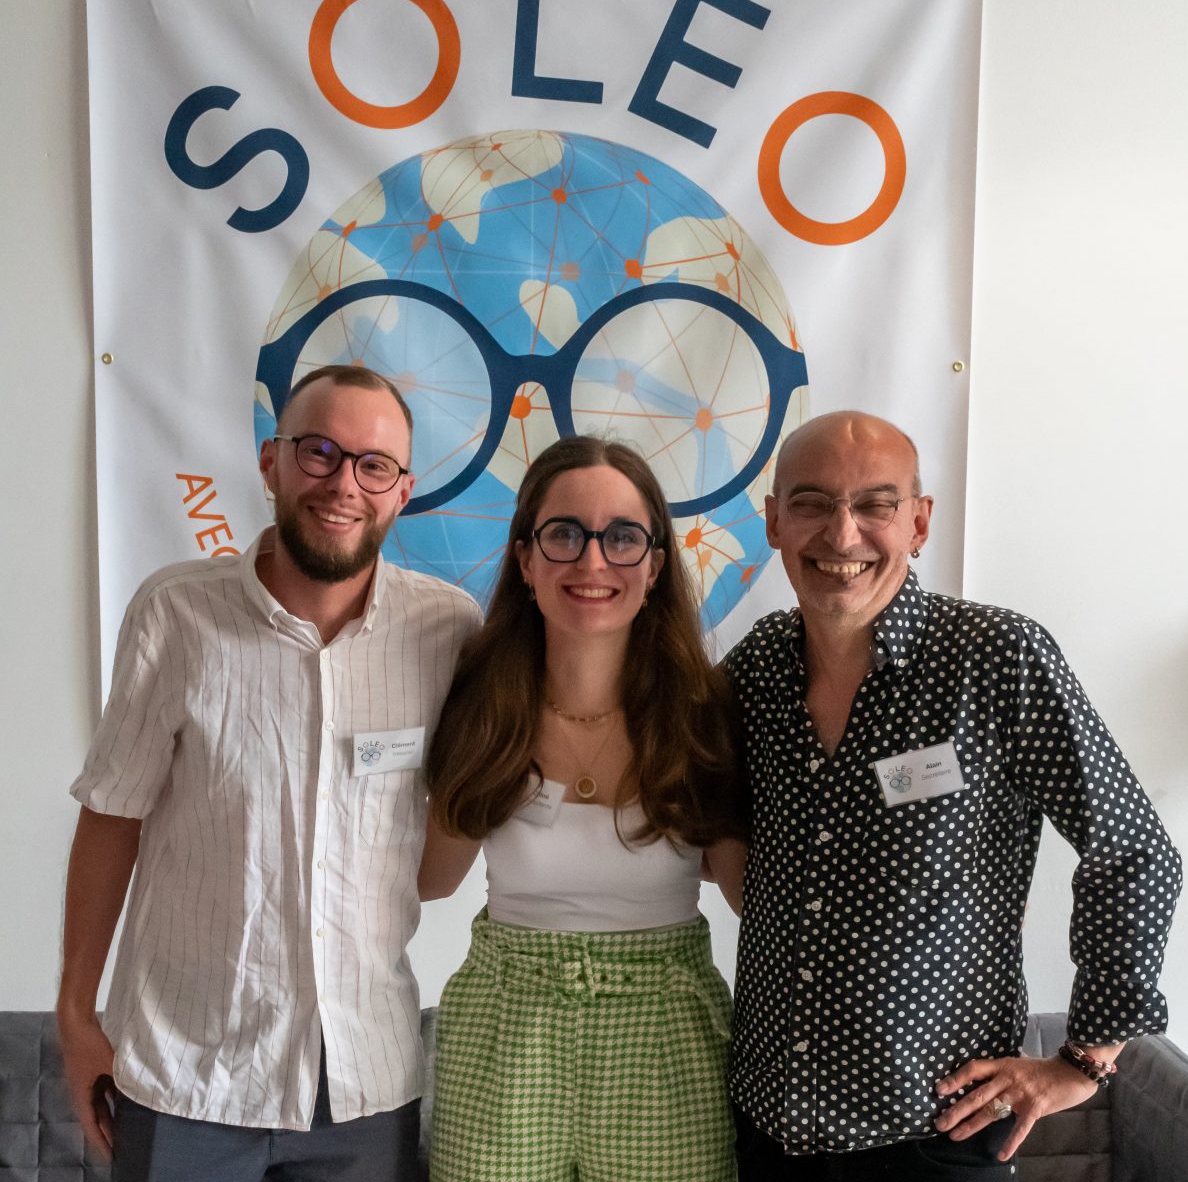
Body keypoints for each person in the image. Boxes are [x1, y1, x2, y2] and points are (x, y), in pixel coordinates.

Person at [725, 411, 1181, 1180]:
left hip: (936, 1130)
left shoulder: (996, 660)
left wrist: (1085, 1060)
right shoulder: (755, 670)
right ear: (773, 521)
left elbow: (1132, 850)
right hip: (771, 1125)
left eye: (875, 503)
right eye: (811, 503)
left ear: (919, 522)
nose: (842, 534)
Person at [56, 365, 481, 1182]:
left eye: (373, 465)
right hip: (187, 1079)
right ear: (270, 462)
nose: (343, 484)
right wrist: (76, 1013)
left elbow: (432, 869)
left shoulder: (448, 632)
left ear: (401, 492)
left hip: (364, 1086)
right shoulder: (176, 615)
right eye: (319, 451)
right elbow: (112, 814)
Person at [417, 435, 745, 1182]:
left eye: (622, 538)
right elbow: (430, 879)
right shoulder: (480, 700)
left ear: (655, 565)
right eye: (564, 534)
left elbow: (747, 896)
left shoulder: (703, 714)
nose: (592, 562)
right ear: (525, 559)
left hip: (666, 1043)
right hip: (504, 1037)